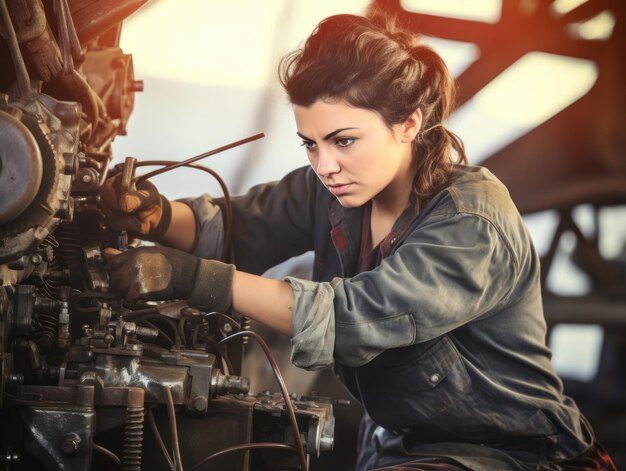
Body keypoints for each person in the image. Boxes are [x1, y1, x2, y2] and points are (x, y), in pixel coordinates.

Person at [101, 9, 617, 471]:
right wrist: (155, 214)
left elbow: (350, 320)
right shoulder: (337, 190)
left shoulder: (471, 222)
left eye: (344, 141)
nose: (325, 166)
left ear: (409, 123)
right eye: (311, 144)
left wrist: (192, 278)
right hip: (395, 445)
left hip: (510, 455)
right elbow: (241, 227)